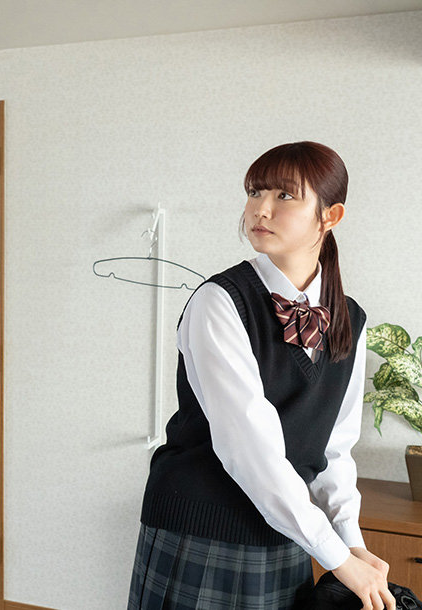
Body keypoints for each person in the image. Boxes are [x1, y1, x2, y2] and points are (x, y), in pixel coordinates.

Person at [128, 141, 396, 610]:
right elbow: (248, 447)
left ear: (330, 216)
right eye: (255, 192)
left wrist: (350, 540)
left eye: (284, 196)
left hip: (287, 530)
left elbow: (334, 447)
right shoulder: (219, 301)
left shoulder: (349, 318)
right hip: (204, 527)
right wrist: (336, 556)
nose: (260, 209)